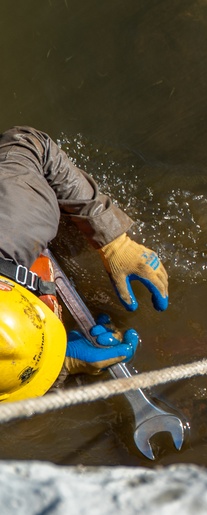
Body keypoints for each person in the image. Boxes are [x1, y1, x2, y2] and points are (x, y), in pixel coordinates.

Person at [0, 126, 169, 402]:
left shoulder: (14, 221)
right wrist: (60, 366)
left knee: (63, 227)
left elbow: (29, 144)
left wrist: (113, 239)